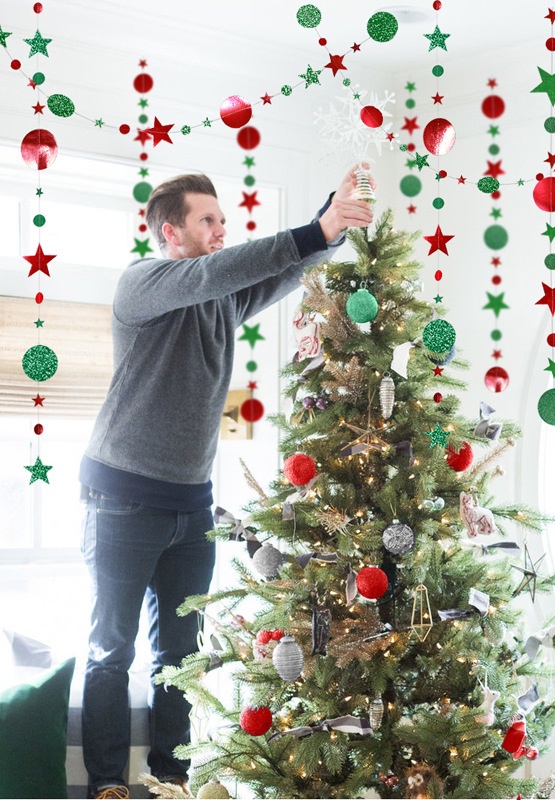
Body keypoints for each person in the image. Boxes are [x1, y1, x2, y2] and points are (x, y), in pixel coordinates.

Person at [78, 166, 375, 800]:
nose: (221, 230)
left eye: (223, 220)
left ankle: (171, 779)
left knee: (180, 659)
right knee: (111, 650)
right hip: (122, 498)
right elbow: (220, 270)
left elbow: (277, 271)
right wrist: (312, 229)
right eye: (208, 220)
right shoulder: (143, 283)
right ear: (170, 232)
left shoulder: (220, 295)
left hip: (192, 505)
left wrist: (334, 220)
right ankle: (107, 785)